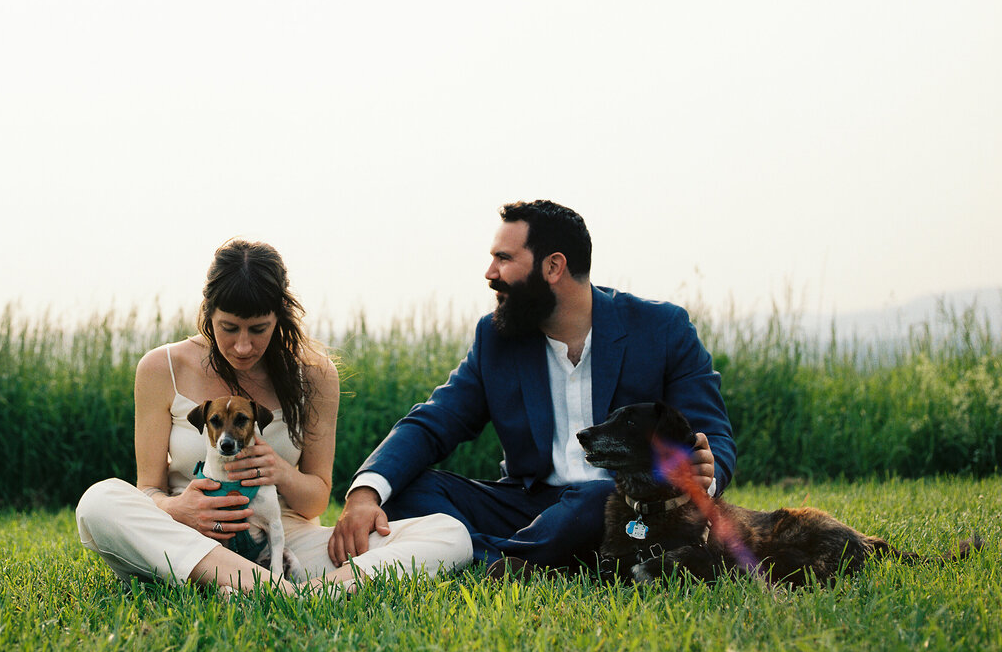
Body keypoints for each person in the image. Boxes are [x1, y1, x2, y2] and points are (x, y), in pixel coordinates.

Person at [327, 200, 736, 573]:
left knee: (596, 500)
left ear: (553, 267)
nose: (490, 274)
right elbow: (435, 420)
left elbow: (709, 429)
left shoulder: (661, 330)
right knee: (411, 488)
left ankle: (473, 555)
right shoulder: (497, 338)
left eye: (503, 259)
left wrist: (707, 469)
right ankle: (510, 558)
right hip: (527, 505)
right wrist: (366, 491)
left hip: (626, 506)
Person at [77, 238, 472, 593]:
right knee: (99, 501)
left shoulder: (314, 374)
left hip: (283, 544)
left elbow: (316, 499)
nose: (244, 346)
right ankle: (270, 590)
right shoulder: (162, 367)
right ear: (208, 311)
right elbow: (148, 487)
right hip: (190, 541)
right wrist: (174, 509)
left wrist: (279, 471)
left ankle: (313, 592)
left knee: (449, 533)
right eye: (228, 328)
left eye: (259, 329)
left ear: (279, 316)